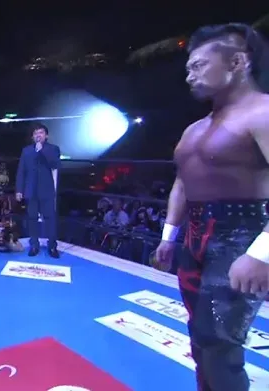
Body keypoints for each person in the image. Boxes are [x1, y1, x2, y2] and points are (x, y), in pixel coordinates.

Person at [153, 24, 269, 391]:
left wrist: (262, 252)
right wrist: (169, 236)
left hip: (244, 234)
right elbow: (183, 181)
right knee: (200, 333)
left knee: (219, 340)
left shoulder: (263, 113)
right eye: (189, 67)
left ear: (237, 62)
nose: (190, 74)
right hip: (196, 236)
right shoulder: (194, 129)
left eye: (200, 65)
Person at [15, 124, 61, 258]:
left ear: (46, 135)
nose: (38, 135)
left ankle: (52, 246)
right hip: (30, 190)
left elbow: (55, 165)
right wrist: (19, 190)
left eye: (41, 133)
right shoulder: (27, 151)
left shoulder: (53, 149)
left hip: (46, 190)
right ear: (32, 136)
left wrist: (42, 151)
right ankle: (34, 245)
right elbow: (21, 171)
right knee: (32, 218)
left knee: (50, 218)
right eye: (36, 133)